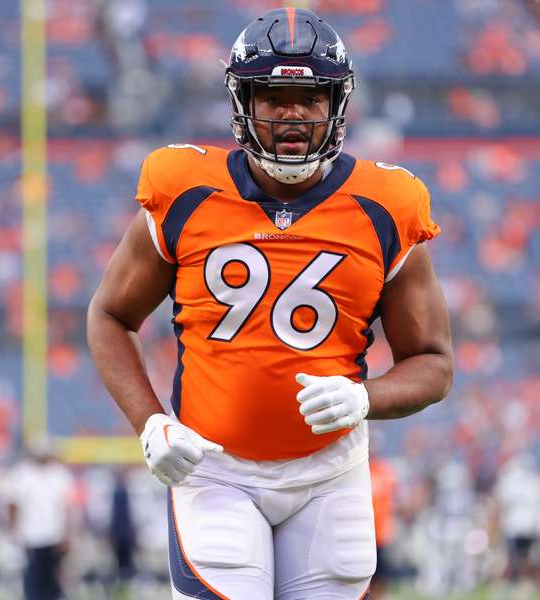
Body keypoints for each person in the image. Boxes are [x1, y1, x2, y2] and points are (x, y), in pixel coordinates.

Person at [87, 7, 453, 598]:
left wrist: (366, 397)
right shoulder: (185, 189)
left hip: (329, 474)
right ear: (243, 101)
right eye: (272, 95)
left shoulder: (388, 206)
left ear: (337, 103)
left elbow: (434, 363)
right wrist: (150, 422)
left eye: (310, 97)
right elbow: (108, 315)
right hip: (215, 468)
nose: (292, 114)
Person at [4, 438, 75, 600]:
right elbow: (13, 505)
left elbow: (66, 508)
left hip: (53, 537)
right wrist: (14, 531)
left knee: (53, 582)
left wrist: (67, 534)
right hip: (30, 537)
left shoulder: (59, 474)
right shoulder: (21, 473)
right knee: (33, 582)